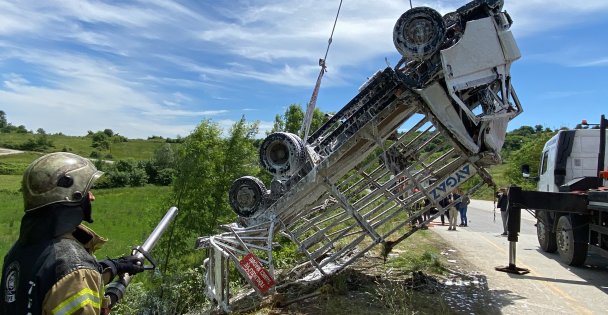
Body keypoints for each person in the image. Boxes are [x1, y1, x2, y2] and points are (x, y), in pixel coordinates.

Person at [1, 152, 144, 314]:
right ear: (70, 196)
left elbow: (53, 280)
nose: (92, 197)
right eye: (86, 191)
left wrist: (116, 266)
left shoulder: (19, 251)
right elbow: (72, 275)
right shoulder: (75, 269)